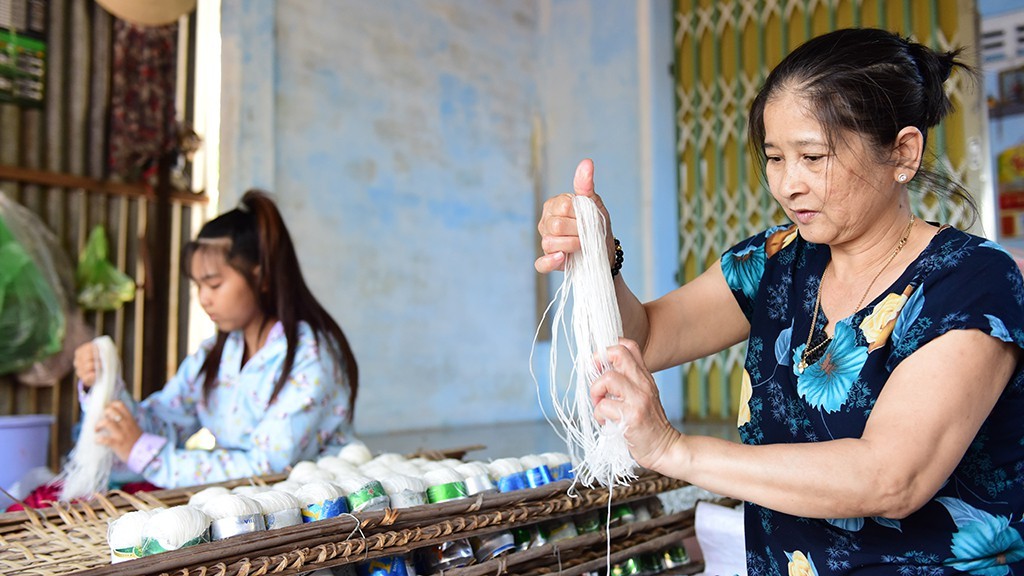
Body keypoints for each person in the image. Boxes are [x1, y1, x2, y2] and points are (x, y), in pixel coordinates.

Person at [537, 28, 1024, 571]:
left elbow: (892, 477)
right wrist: (600, 258)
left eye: (813, 157)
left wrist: (673, 449)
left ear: (903, 152)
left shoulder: (972, 281)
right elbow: (646, 337)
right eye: (774, 157)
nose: (788, 185)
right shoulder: (774, 261)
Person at [72, 190, 359, 489]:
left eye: (214, 284)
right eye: (198, 286)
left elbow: (269, 467)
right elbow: (163, 424)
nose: (204, 299)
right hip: (244, 510)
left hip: (316, 516)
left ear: (261, 276)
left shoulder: (310, 357)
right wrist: (104, 385)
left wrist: (147, 455)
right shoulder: (215, 355)